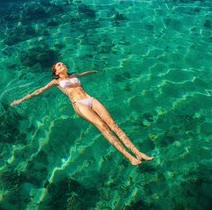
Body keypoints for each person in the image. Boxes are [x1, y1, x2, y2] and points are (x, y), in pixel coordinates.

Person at [11, 62, 154, 166]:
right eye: (58, 65)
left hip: (90, 99)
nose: (62, 64)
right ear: (55, 72)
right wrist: (21, 100)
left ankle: (138, 152)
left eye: (62, 63)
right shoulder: (55, 82)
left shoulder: (73, 75)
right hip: (79, 104)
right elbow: (38, 91)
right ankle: (130, 157)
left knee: (113, 124)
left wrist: (96, 71)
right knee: (103, 127)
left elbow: (83, 74)